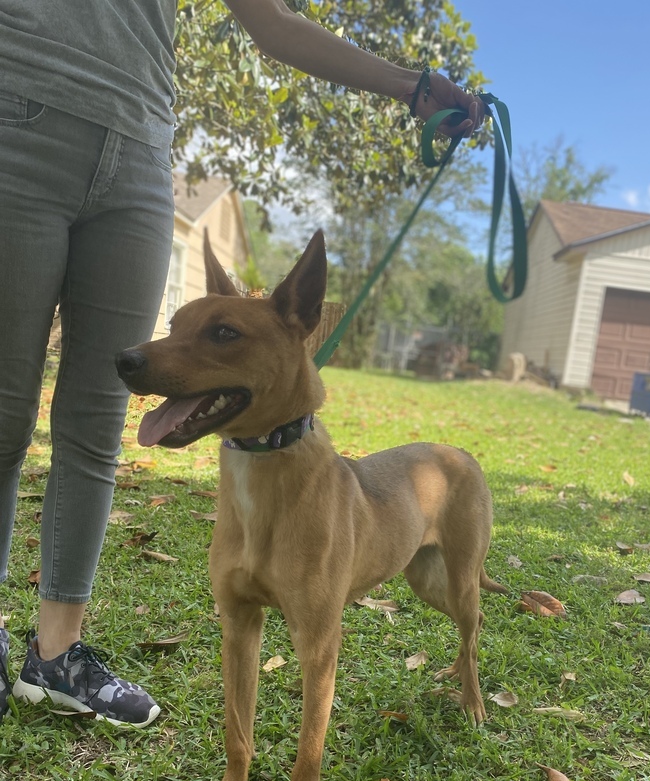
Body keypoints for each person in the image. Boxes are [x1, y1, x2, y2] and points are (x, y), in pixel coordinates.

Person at [0, 0, 486, 726]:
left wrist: (411, 86)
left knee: (98, 423)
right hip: (18, 111)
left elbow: (274, 20)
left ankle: (57, 653)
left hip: (138, 147)